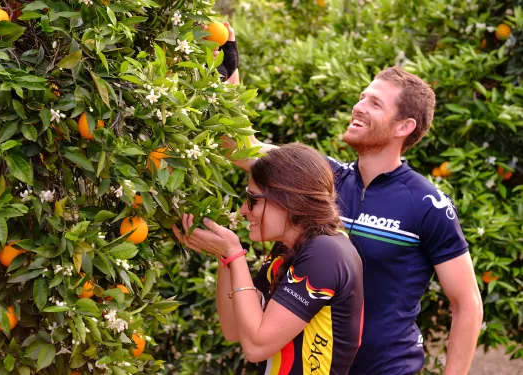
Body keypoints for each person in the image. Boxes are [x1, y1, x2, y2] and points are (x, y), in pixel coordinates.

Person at [224, 67, 483, 375]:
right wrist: (229, 74)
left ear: (405, 126)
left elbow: (467, 302)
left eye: (375, 103)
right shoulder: (321, 179)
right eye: (362, 97)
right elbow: (240, 148)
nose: (358, 106)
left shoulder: (428, 204)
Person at [173, 143, 364, 374]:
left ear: (288, 199)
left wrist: (236, 256)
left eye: (253, 199)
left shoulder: (325, 252)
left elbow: (256, 346)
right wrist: (225, 257)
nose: (244, 209)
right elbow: (234, 329)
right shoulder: (291, 247)